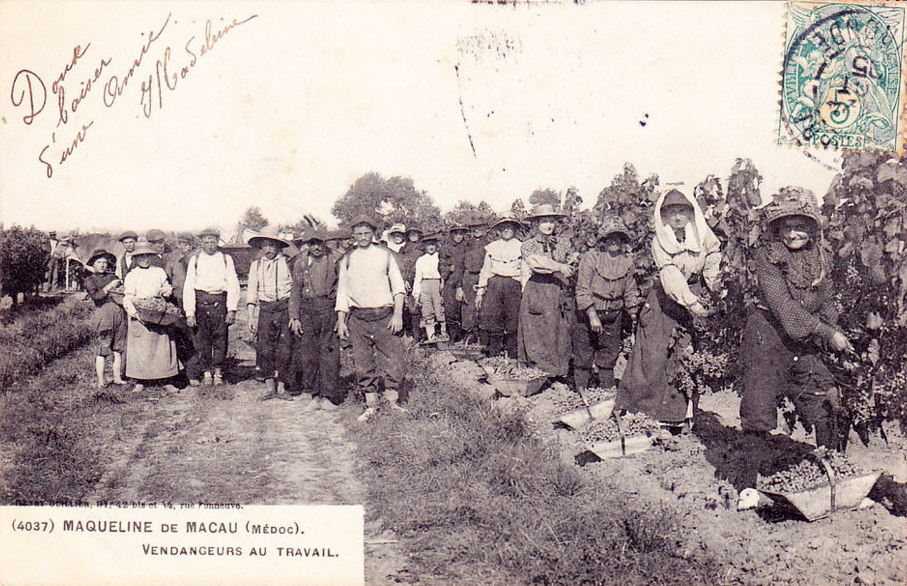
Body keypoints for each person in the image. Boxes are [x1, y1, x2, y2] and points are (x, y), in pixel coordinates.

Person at [739, 190, 852, 453]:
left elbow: (826, 300)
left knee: (824, 395)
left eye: (799, 227)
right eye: (786, 228)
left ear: (812, 228)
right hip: (767, 336)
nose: (792, 235)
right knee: (760, 406)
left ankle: (831, 470)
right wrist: (826, 333)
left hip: (802, 338)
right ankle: (747, 486)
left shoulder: (819, 256)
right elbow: (785, 308)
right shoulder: (767, 256)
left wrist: (836, 333)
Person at [615, 189, 722, 427]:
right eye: (671, 212)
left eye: (682, 211)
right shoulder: (660, 240)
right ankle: (642, 412)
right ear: (664, 216)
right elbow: (671, 275)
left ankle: (679, 416)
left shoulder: (702, 235)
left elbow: (714, 260)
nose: (677, 217)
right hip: (666, 300)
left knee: (685, 354)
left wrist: (718, 292)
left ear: (690, 214)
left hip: (694, 294)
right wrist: (694, 304)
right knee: (653, 354)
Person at [335, 215, 407, 422]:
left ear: (373, 234)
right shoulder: (348, 258)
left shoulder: (385, 255)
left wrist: (398, 315)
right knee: (363, 362)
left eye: (367, 233)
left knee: (394, 360)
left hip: (384, 316)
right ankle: (371, 405)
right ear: (353, 235)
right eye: (359, 234)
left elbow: (398, 288)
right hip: (358, 318)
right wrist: (341, 321)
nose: (363, 237)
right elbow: (342, 293)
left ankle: (393, 402)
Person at [574, 216, 641, 392]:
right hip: (589, 311)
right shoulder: (591, 258)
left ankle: (606, 390)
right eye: (610, 238)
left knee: (609, 352)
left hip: (613, 314)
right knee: (584, 351)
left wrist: (634, 314)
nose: (614, 242)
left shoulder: (627, 261)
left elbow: (630, 289)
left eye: (618, 238)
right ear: (603, 241)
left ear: (622, 241)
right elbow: (582, 288)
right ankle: (581, 389)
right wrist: (592, 315)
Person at [517, 204, 577, 376]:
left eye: (551, 221)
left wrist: (572, 261)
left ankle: (558, 371)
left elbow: (571, 261)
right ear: (536, 224)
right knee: (537, 329)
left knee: (560, 329)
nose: (549, 225)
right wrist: (560, 266)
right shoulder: (528, 245)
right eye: (544, 221)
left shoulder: (564, 243)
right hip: (537, 289)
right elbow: (536, 264)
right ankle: (538, 370)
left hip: (558, 289)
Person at [289, 227, 343, 412]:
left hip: (329, 308)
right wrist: (294, 316)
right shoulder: (301, 262)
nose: (316, 247)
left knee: (329, 354)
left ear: (324, 243)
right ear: (307, 245)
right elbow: (295, 290)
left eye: (319, 243)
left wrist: (341, 315)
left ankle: (328, 396)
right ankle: (314, 395)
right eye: (312, 244)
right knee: (309, 354)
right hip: (307, 310)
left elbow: (342, 287)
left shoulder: (335, 259)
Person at [183, 227, 241, 386]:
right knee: (202, 340)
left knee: (220, 338)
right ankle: (206, 372)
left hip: (219, 302)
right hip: (201, 302)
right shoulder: (194, 260)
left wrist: (232, 309)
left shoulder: (225, 259)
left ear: (217, 241)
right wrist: (190, 312)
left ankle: (218, 372)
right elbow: (188, 286)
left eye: (212, 241)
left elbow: (233, 284)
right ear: (201, 242)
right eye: (206, 242)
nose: (209, 245)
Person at [122, 241, 180, 392]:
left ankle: (166, 380)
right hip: (140, 313)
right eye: (141, 256)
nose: (144, 259)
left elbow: (166, 286)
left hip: (158, 312)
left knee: (162, 347)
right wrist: (135, 313)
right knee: (141, 349)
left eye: (147, 256)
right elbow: (128, 296)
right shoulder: (132, 275)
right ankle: (141, 380)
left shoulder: (158, 271)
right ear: (136, 258)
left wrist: (165, 291)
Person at [247, 226, 294, 401]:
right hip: (265, 309)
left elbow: (294, 288)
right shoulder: (256, 265)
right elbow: (252, 291)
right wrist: (251, 316)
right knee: (265, 347)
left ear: (278, 247)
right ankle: (269, 386)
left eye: (272, 246)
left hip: (284, 307)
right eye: (265, 246)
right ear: (261, 247)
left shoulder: (287, 262)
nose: (268, 250)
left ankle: (282, 386)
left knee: (285, 347)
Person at [476, 212, 525, 358]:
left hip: (514, 284)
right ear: (499, 229)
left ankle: (513, 355)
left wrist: (524, 289)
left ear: (514, 229)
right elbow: (485, 270)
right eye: (503, 227)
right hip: (495, 284)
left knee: (513, 319)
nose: (506, 230)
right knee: (493, 318)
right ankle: (494, 354)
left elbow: (525, 270)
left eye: (509, 227)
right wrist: (480, 292)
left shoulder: (521, 247)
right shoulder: (492, 247)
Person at [83, 249, 127, 388]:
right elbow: (96, 297)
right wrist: (108, 288)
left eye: (104, 262)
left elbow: (123, 292)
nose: (102, 265)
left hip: (119, 313)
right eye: (99, 262)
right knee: (103, 348)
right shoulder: (90, 280)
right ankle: (101, 381)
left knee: (118, 347)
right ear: (93, 264)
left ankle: (117, 377)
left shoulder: (113, 277)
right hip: (103, 315)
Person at [412, 231, 449, 343]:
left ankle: (443, 335)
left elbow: (444, 272)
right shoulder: (421, 260)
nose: (431, 247)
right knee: (427, 310)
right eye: (428, 245)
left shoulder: (440, 257)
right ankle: (431, 336)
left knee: (439, 309)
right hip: (425, 285)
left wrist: (442, 283)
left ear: (436, 245)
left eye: (433, 244)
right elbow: (418, 277)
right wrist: (416, 294)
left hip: (437, 284)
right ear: (425, 246)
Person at [460, 215, 488, 345]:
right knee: (468, 306)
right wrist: (459, 284)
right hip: (468, 277)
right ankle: (469, 334)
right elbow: (460, 264)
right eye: (474, 228)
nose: (476, 230)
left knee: (483, 305)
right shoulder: (466, 244)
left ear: (484, 228)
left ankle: (482, 335)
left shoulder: (489, 243)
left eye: (479, 227)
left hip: (483, 276)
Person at [440, 223, 468, 343]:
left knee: (465, 309)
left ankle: (465, 336)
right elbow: (440, 266)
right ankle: (452, 337)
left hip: (465, 281)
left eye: (461, 234)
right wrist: (448, 269)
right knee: (450, 310)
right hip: (450, 282)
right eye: (456, 233)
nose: (458, 236)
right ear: (451, 234)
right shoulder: (445, 248)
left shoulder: (467, 247)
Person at [401, 226, 424, 343]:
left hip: (420, 279)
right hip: (407, 280)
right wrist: (404, 279)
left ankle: (418, 335)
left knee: (418, 307)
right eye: (411, 234)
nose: (414, 235)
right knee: (407, 307)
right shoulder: (403, 249)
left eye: (416, 233)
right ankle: (409, 332)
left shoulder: (423, 248)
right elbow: (400, 265)